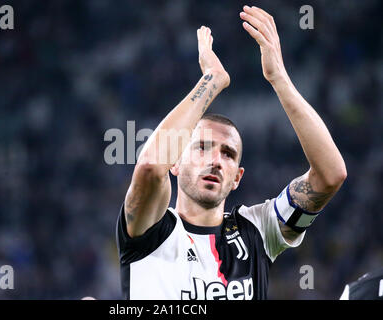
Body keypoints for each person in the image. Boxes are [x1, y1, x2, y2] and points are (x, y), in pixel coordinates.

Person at [116, 5, 347, 300]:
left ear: (237, 177)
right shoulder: (149, 229)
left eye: (228, 153)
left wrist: (279, 78)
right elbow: (149, 166)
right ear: (174, 163)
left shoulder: (259, 230)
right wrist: (211, 79)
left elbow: (330, 175)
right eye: (201, 147)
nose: (215, 160)